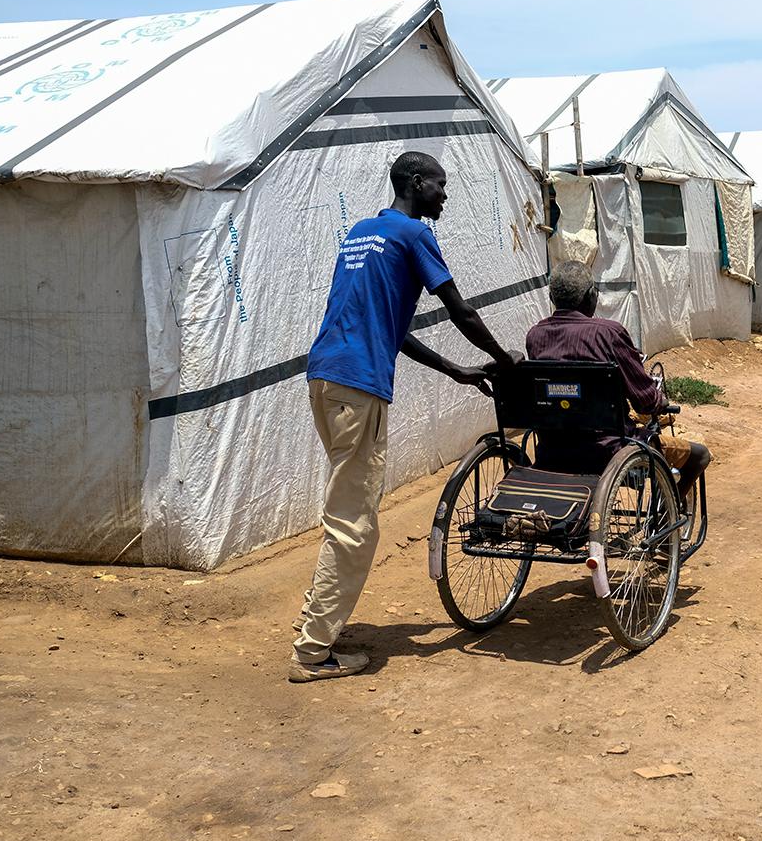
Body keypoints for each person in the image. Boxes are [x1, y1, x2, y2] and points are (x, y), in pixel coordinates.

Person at [290, 151, 521, 683]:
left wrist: (456, 370)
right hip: (359, 386)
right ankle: (313, 651)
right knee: (354, 525)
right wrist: (506, 361)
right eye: (440, 185)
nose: (445, 195)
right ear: (416, 184)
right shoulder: (415, 235)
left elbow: (386, 324)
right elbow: (458, 308)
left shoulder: (361, 233)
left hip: (325, 378)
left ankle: (316, 627)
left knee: (346, 508)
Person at [525, 261, 710, 495]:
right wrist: (659, 401)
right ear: (591, 296)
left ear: (552, 297)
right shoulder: (608, 333)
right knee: (700, 455)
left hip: (552, 449)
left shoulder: (535, 335)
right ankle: (668, 515)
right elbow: (644, 400)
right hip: (609, 451)